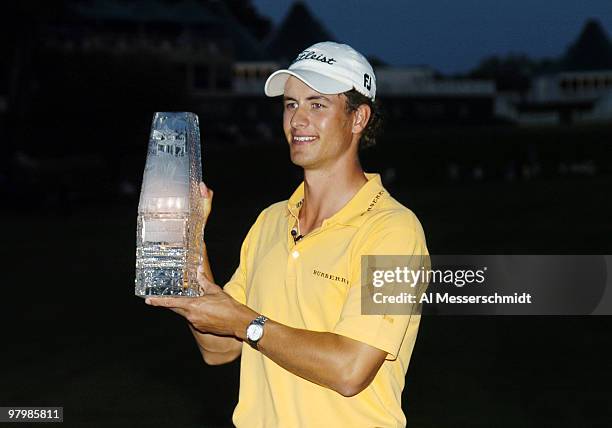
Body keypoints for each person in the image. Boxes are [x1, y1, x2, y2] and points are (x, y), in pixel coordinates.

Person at [146, 41, 429, 427]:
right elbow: (218, 348)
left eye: (317, 104)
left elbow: (350, 369)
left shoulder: (395, 231)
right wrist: (191, 239)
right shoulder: (270, 222)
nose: (297, 120)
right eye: (291, 104)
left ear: (358, 118)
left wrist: (246, 323)